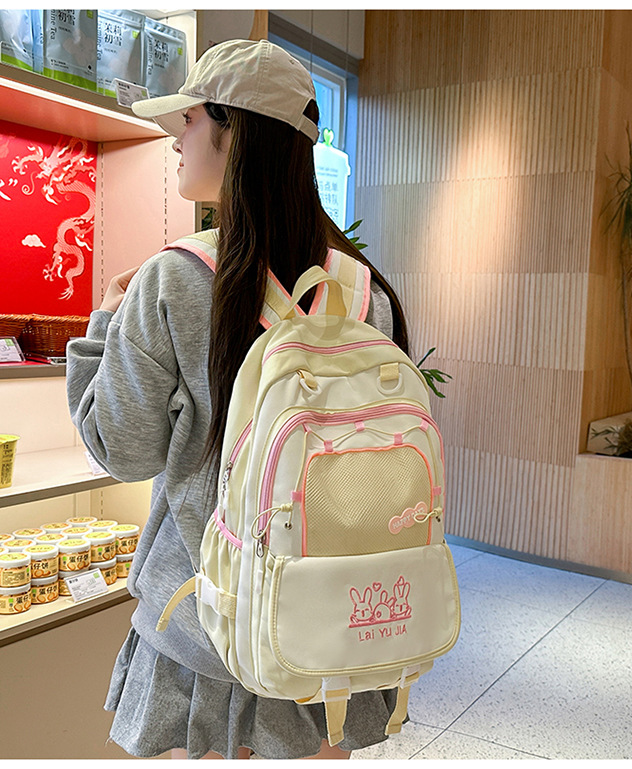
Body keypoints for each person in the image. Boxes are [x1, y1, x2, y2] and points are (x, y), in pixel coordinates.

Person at [66, 38, 410, 761]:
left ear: (236, 130)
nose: (175, 140)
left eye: (189, 119)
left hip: (207, 632)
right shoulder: (362, 290)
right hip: (334, 623)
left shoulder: (174, 279)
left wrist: (105, 323)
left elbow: (122, 449)